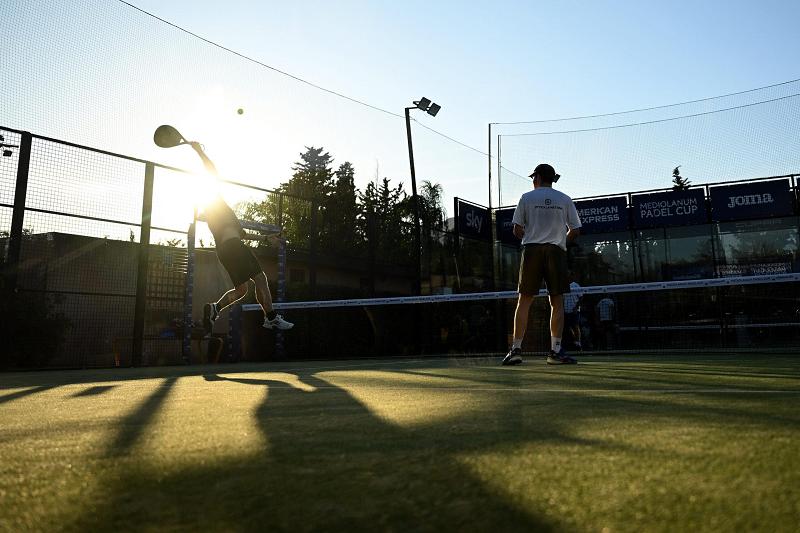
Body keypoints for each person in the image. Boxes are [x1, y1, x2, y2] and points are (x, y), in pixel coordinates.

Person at [186, 141, 294, 333]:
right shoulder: (215, 203)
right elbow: (211, 172)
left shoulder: (226, 219)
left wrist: (267, 238)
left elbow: (241, 235)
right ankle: (271, 318)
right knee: (261, 279)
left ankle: (214, 308)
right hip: (234, 248)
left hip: (226, 251)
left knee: (242, 290)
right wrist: (199, 151)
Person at [502, 163, 581, 366]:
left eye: (533, 177)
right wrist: (560, 242)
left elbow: (517, 229)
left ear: (537, 177)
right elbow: (575, 230)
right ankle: (555, 352)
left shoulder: (526, 197)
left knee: (524, 300)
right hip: (556, 251)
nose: (532, 181)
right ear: (552, 179)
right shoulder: (564, 199)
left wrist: (529, 237)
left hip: (531, 250)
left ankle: (516, 350)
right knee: (557, 302)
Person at [562, 272, 583, 351]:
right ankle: (571, 344)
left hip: (575, 311)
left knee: (575, 326)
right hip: (565, 311)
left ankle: (578, 343)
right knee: (567, 328)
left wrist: (576, 307)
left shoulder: (576, 285)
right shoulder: (562, 286)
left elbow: (581, 297)